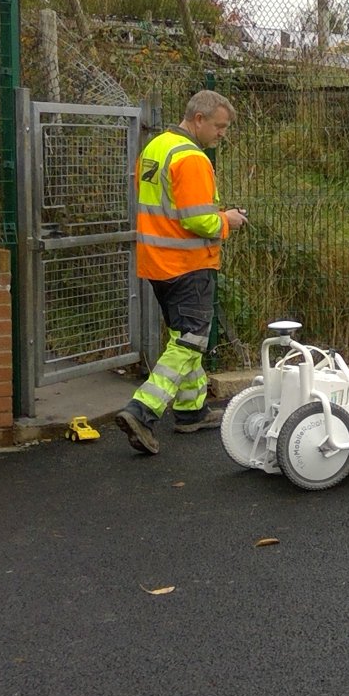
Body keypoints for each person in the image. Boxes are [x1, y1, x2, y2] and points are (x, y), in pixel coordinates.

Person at [114, 90, 248, 455]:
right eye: (220, 127)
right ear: (199, 119)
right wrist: (228, 220)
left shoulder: (157, 147)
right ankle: (142, 410)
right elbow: (198, 220)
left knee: (183, 337)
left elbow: (154, 199)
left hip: (157, 261)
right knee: (191, 340)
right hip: (188, 264)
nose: (222, 134)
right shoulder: (191, 158)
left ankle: (191, 410)